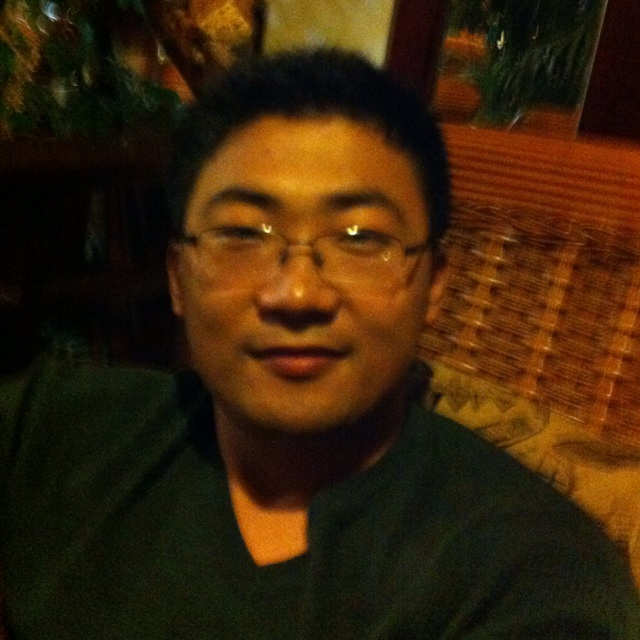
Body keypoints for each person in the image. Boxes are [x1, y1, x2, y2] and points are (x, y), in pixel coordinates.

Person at [1, 48, 639, 639]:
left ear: (434, 284)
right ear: (177, 278)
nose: (297, 294)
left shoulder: (528, 578)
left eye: (361, 238)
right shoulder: (58, 434)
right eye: (242, 233)